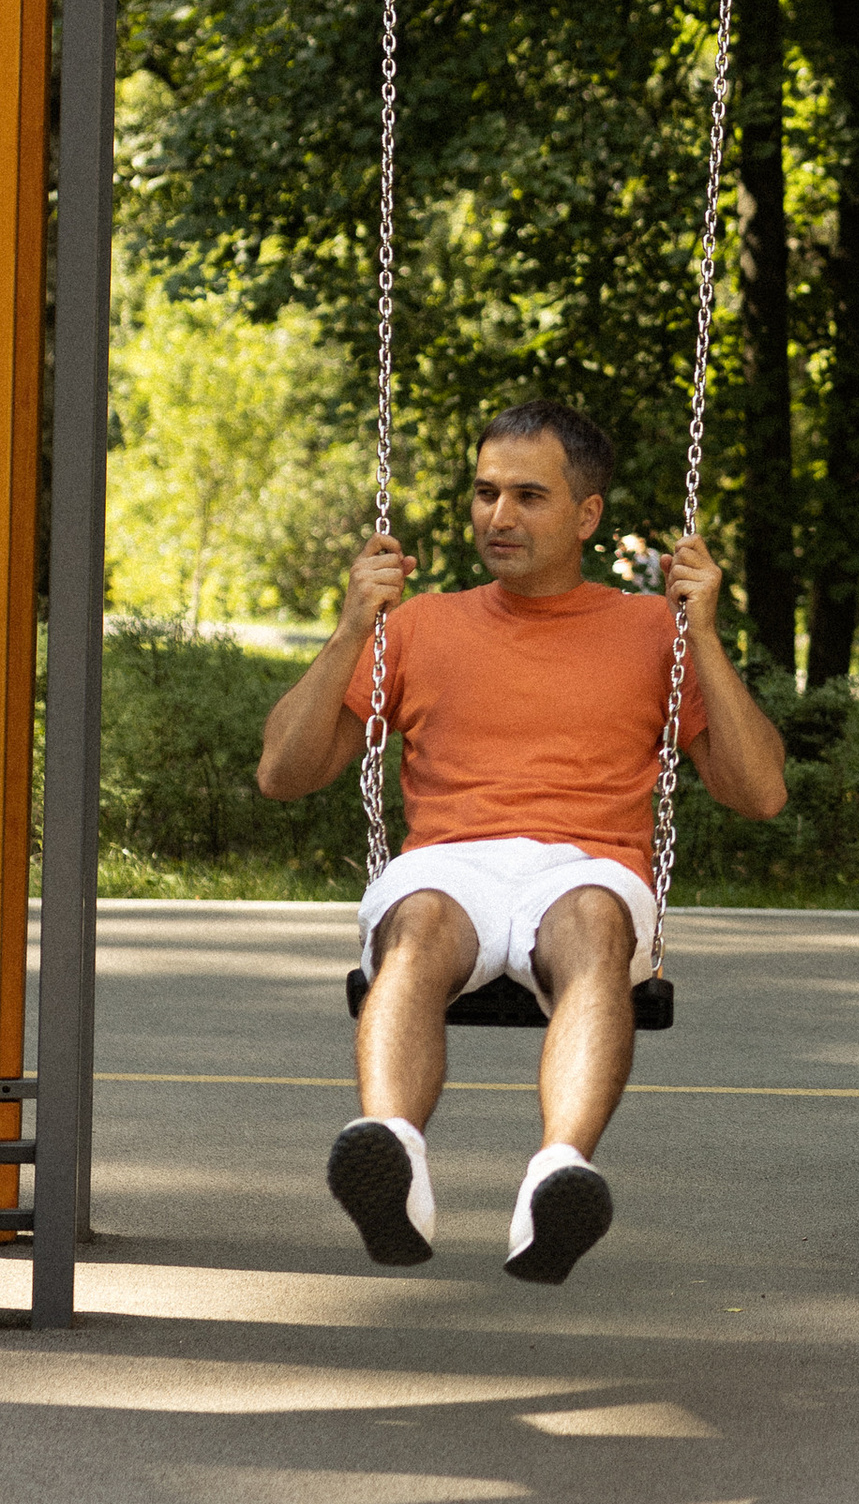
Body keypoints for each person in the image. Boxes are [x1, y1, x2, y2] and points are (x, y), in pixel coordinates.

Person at [257, 398, 787, 1285]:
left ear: (587, 514)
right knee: (418, 923)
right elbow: (284, 771)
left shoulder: (653, 631)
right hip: (449, 864)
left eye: (529, 497)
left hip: (586, 868)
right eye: (485, 493)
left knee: (593, 924)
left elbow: (759, 792)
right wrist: (355, 625)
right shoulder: (419, 625)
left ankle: (558, 1176)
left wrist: (705, 636)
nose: (498, 517)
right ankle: (394, 1158)